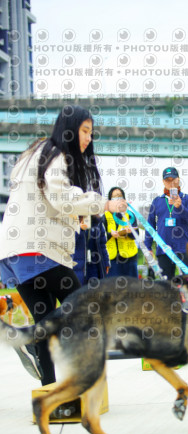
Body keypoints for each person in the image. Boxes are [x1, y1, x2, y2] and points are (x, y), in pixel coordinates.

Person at [0, 105, 127, 385]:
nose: (88, 138)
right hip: (38, 250)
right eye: (84, 131)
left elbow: (43, 200)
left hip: (17, 250)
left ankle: (51, 394)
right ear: (68, 128)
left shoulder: (36, 152)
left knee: (44, 320)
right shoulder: (56, 153)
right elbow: (60, 197)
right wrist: (103, 204)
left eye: (91, 133)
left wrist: (75, 219)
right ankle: (31, 341)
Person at [144, 167, 188, 280]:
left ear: (178, 179)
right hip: (164, 249)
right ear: (163, 182)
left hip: (184, 249)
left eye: (173, 179)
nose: (171, 183)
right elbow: (150, 225)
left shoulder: (187, 199)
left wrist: (180, 207)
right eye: (167, 180)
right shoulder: (157, 201)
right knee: (166, 284)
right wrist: (148, 247)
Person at [101, 187, 139, 278]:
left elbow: (136, 234)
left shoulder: (129, 215)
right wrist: (111, 234)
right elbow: (101, 236)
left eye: (119, 197)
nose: (117, 200)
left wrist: (127, 232)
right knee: (113, 288)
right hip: (113, 259)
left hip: (129, 257)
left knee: (132, 287)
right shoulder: (105, 216)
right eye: (114, 197)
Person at [74, 215, 110, 286]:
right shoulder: (72, 220)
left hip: (94, 265)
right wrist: (79, 229)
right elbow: (68, 241)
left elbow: (102, 244)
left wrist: (106, 262)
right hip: (78, 265)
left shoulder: (98, 222)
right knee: (79, 292)